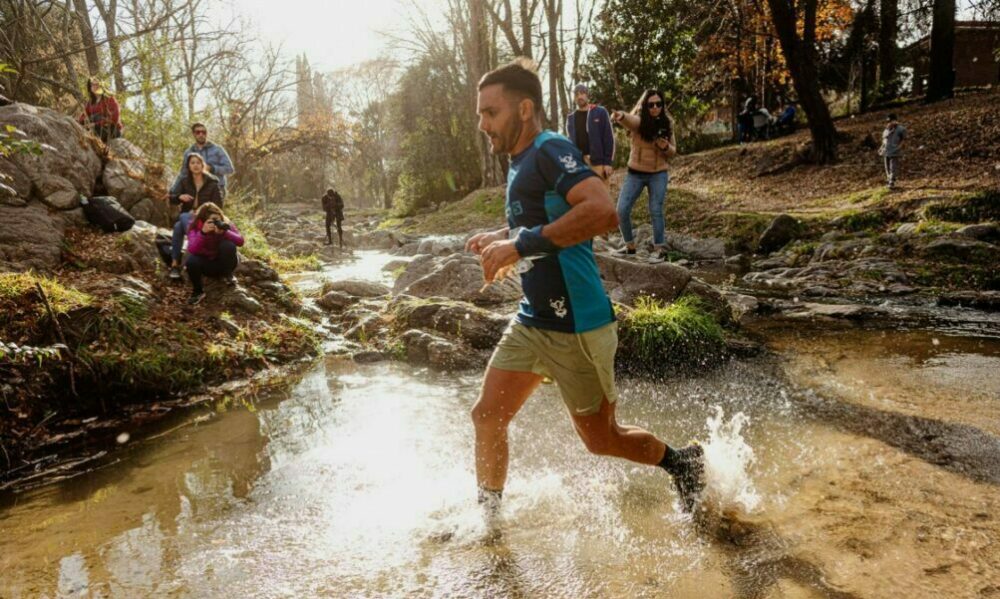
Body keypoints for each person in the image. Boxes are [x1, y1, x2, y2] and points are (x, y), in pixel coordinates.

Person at [466, 59, 705, 521]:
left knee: (602, 439)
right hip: (534, 319)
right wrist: (503, 237)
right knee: (487, 417)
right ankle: (488, 523)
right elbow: (538, 222)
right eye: (480, 114)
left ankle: (684, 463)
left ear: (524, 109)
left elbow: (601, 212)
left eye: (490, 113)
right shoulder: (520, 164)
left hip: (578, 324)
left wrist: (519, 244)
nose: (482, 124)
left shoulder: (551, 149)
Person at [610, 89, 677, 263]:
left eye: (658, 104)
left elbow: (673, 152)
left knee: (656, 209)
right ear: (645, 106)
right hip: (636, 174)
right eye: (651, 105)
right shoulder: (639, 123)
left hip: (658, 174)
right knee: (621, 210)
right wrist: (621, 115)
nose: (655, 108)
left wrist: (665, 147)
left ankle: (659, 249)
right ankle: (629, 246)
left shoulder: (668, 124)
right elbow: (629, 120)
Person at [167, 153, 222, 281]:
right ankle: (175, 264)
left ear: (203, 165)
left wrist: (202, 213)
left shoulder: (212, 182)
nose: (195, 165)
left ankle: (190, 252)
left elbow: (218, 206)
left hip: (204, 219)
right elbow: (172, 200)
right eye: (192, 163)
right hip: (188, 218)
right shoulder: (184, 181)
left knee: (181, 221)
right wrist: (179, 197)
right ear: (188, 166)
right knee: (179, 224)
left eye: (198, 162)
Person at [184, 202, 244, 305]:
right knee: (191, 261)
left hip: (226, 263)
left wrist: (225, 232)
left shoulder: (226, 223)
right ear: (203, 220)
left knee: (228, 245)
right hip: (208, 264)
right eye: (212, 221)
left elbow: (240, 241)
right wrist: (203, 233)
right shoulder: (194, 226)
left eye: (218, 220)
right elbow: (192, 249)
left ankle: (228, 275)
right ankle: (198, 292)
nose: (216, 223)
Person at [169, 123, 235, 204]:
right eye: (198, 132)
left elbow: (229, 169)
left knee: (211, 213)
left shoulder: (218, 149)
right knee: (192, 214)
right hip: (195, 189)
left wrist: (212, 168)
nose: (201, 134)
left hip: (217, 188)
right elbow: (183, 173)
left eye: (204, 132)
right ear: (193, 134)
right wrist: (172, 192)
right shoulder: (189, 152)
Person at [565, 84, 615, 188]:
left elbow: (608, 138)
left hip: (598, 163)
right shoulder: (571, 118)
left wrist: (608, 163)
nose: (580, 97)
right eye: (576, 94)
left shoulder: (600, 112)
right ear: (574, 98)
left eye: (582, 93)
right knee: (586, 198)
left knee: (603, 196)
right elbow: (570, 143)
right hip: (580, 165)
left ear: (587, 95)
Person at [77, 77, 122, 143]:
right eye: (92, 85)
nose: (95, 86)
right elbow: (84, 116)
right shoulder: (90, 103)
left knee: (96, 119)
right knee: (88, 121)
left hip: (111, 129)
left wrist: (96, 124)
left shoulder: (110, 99)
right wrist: (83, 122)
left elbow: (114, 118)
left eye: (97, 84)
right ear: (90, 88)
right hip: (96, 128)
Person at [879, 113, 905, 190]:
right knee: (887, 167)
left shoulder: (901, 129)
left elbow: (904, 139)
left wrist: (899, 147)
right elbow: (884, 140)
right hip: (886, 151)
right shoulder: (886, 130)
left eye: (891, 121)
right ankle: (889, 179)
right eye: (889, 121)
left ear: (896, 121)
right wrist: (881, 148)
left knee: (893, 167)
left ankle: (892, 181)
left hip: (894, 151)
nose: (890, 123)